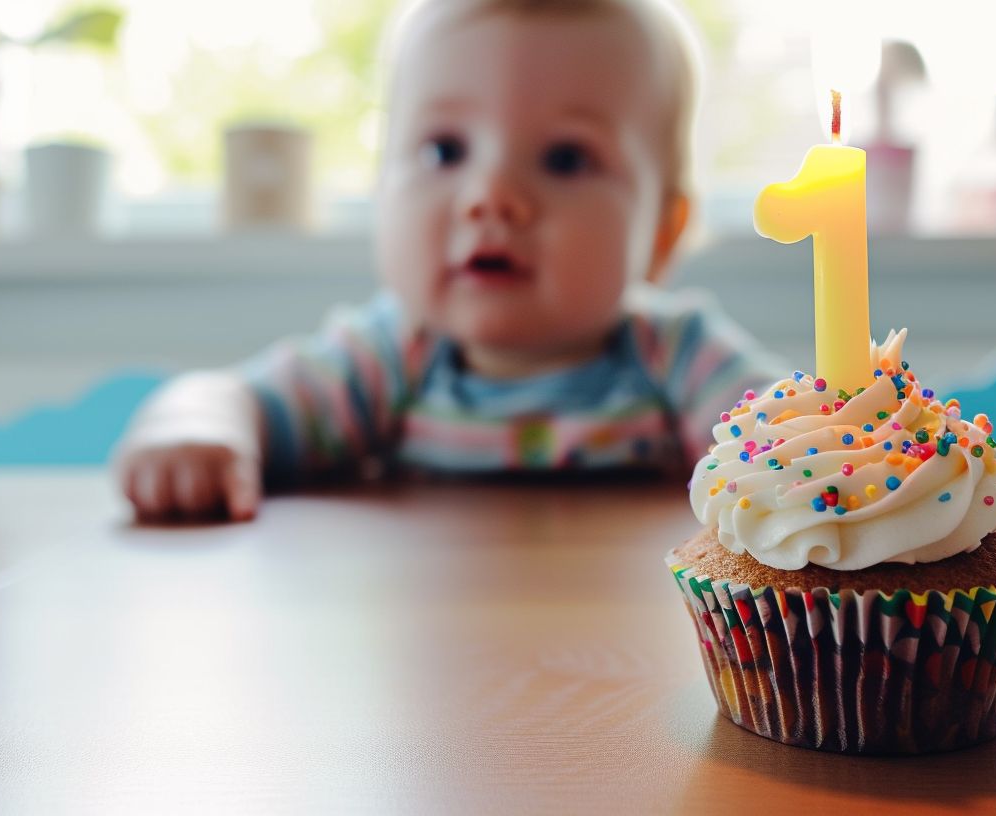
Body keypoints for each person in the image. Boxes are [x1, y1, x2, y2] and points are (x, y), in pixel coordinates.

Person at [117, 0, 778, 522]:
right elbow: (237, 398)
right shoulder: (390, 358)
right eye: (444, 151)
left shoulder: (676, 355)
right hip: (439, 660)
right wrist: (194, 428)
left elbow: (798, 443)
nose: (490, 197)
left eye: (565, 159)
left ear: (662, 233)